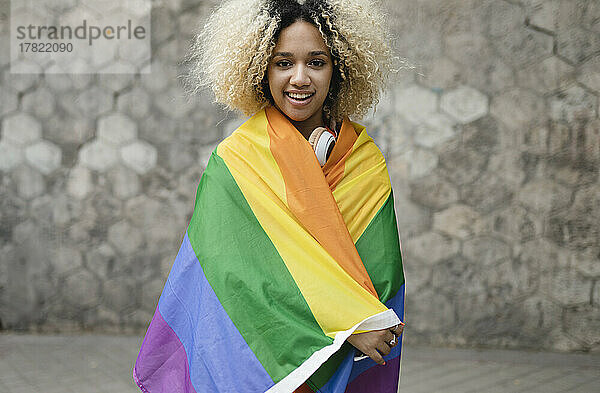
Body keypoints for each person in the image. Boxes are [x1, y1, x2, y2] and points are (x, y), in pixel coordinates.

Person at [134, 0, 405, 392]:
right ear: (260, 69)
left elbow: (379, 268)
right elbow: (235, 281)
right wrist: (352, 324)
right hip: (261, 360)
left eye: (316, 62)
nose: (300, 78)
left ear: (339, 69)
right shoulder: (236, 160)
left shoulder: (363, 159)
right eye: (283, 63)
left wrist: (364, 322)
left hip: (343, 366)